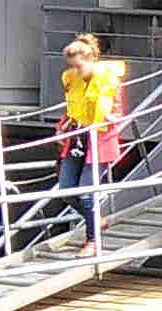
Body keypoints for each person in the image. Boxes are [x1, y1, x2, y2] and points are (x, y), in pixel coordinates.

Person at [54, 33, 129, 259]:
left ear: (91, 60)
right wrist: (61, 128)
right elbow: (71, 110)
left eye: (79, 66)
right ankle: (96, 219)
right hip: (76, 140)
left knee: (87, 195)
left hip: (100, 142)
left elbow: (118, 112)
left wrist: (110, 118)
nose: (76, 71)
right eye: (73, 67)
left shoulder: (109, 80)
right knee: (67, 191)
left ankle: (93, 241)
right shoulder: (72, 80)